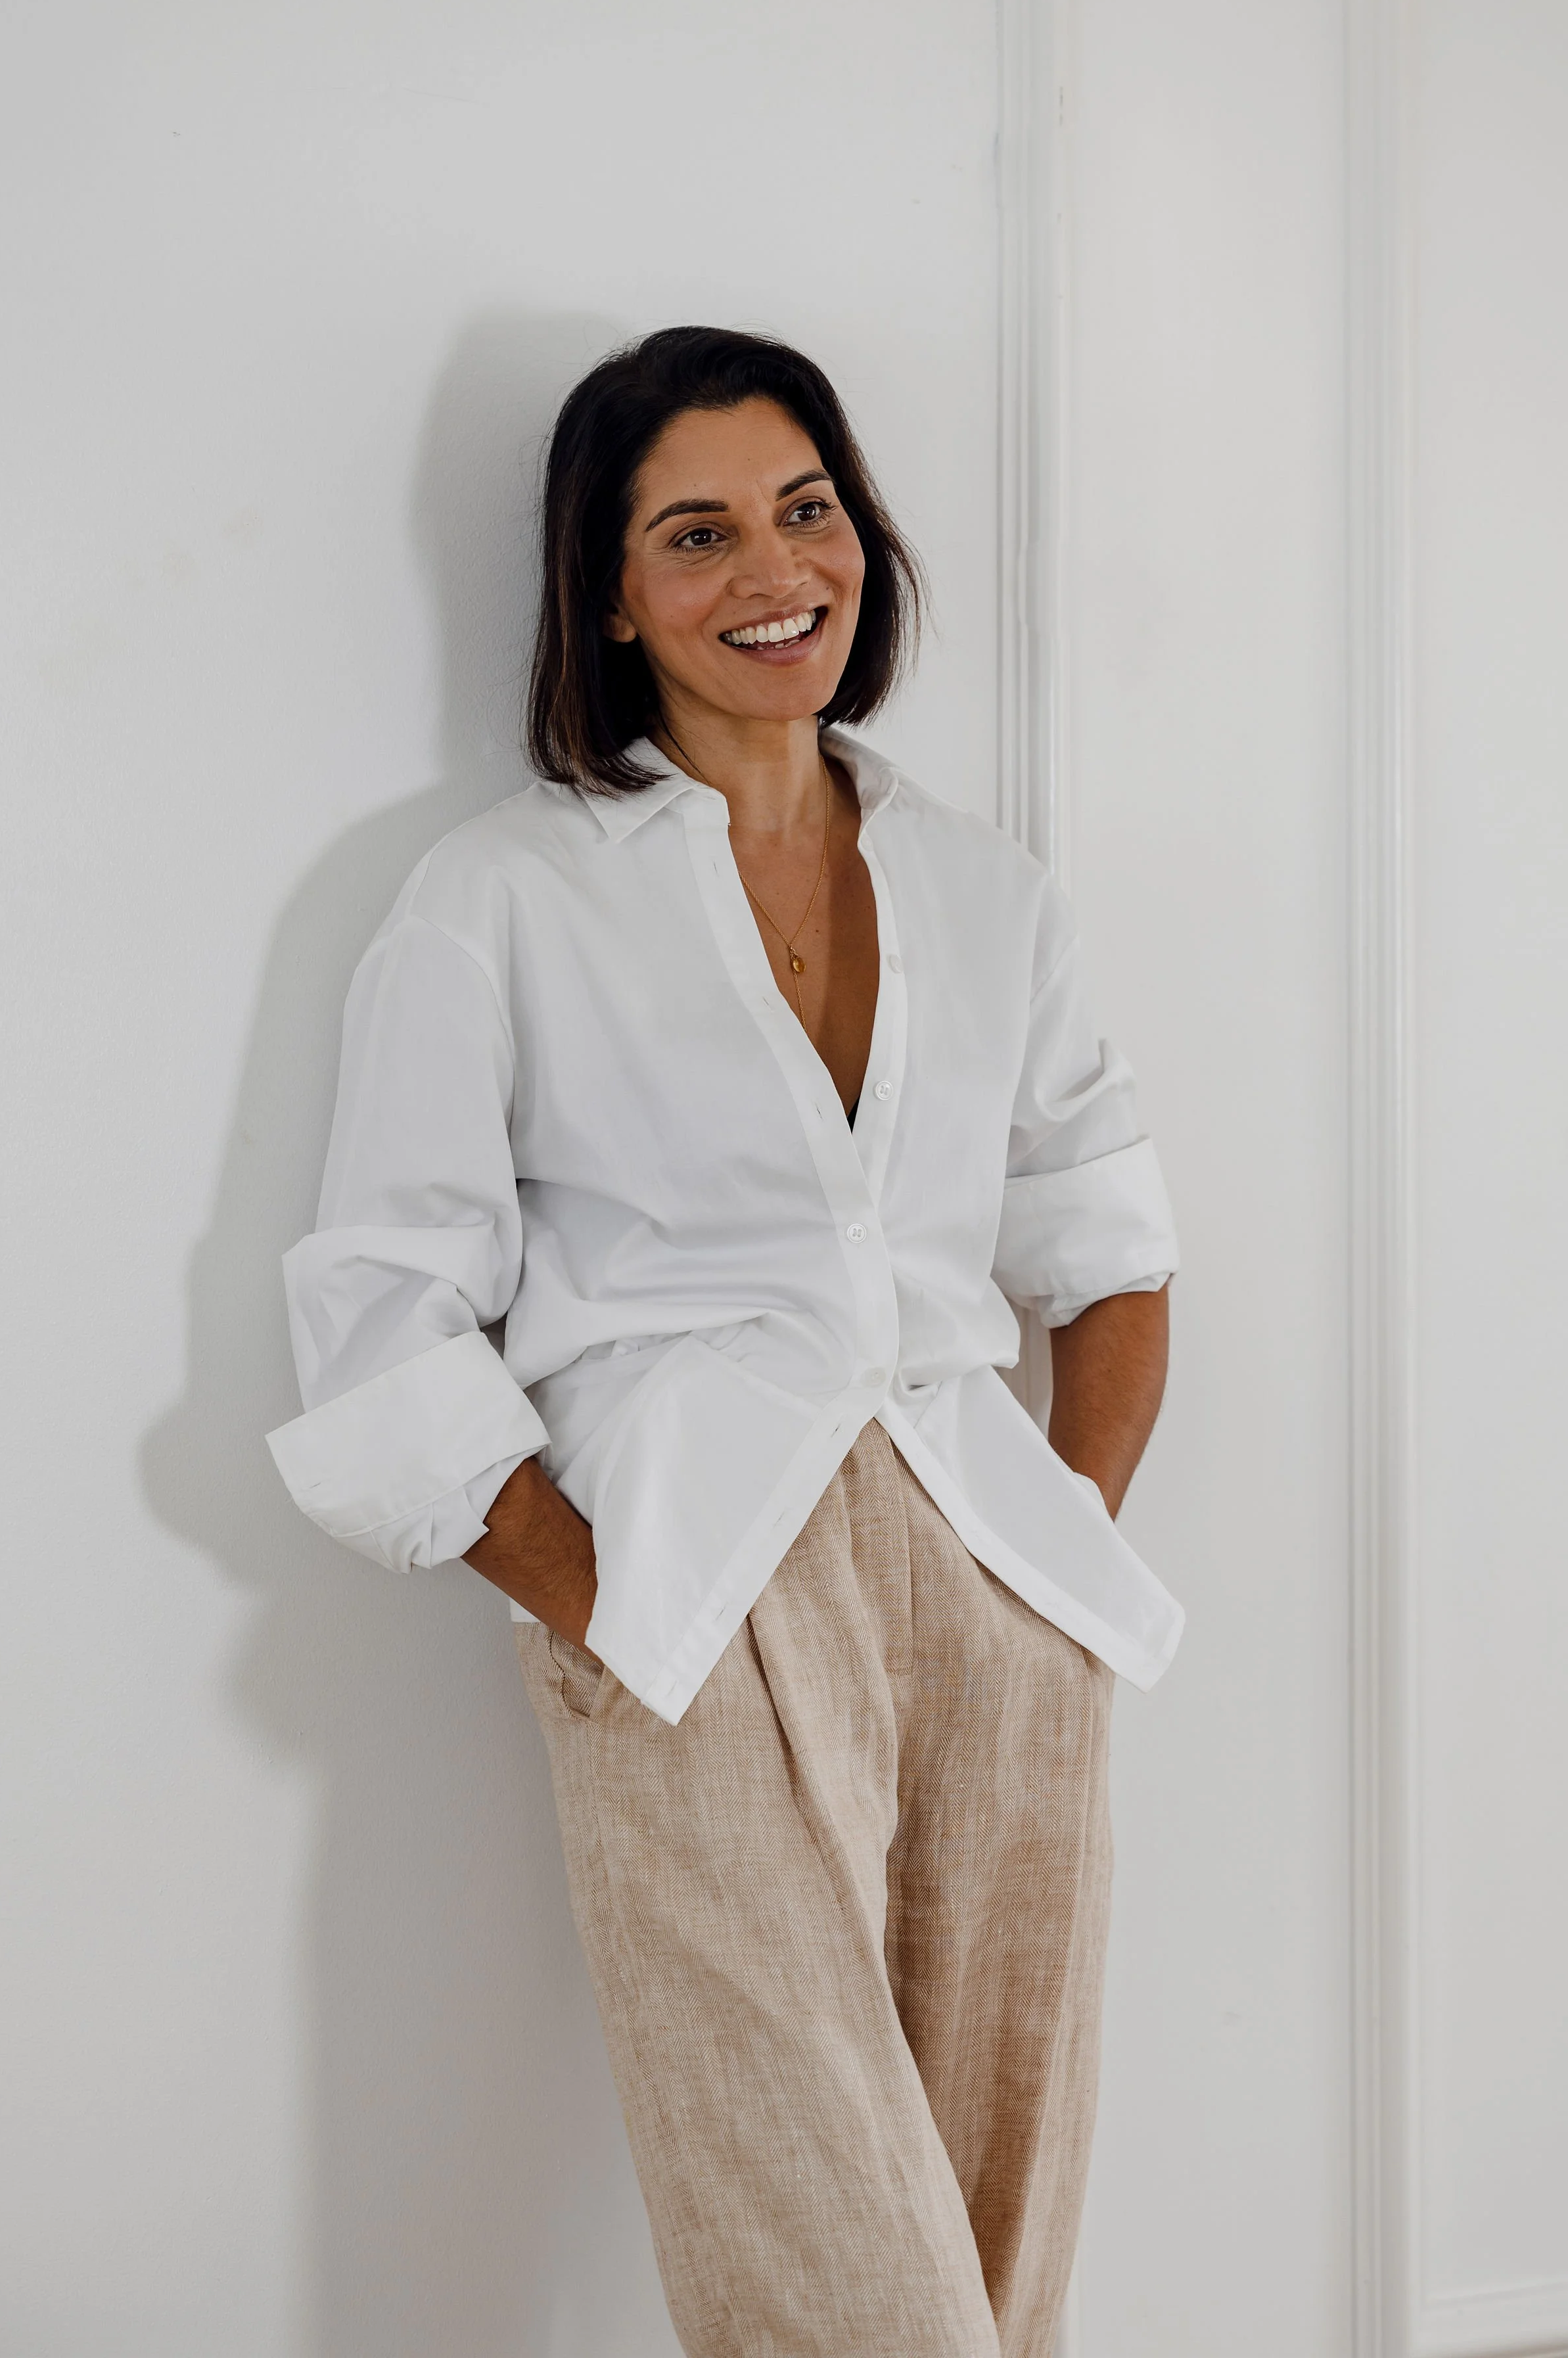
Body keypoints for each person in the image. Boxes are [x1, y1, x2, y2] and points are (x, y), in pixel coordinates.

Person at [267, 325, 1182, 2357]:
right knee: (836, 2282)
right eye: (699, 532)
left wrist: (1060, 1553)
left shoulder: (983, 890)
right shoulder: (497, 896)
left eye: (808, 507)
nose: (779, 568)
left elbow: (1109, 1250)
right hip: (697, 1588)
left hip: (991, 1580)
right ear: (609, 592)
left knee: (1001, 2260)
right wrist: (602, 1604)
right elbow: (381, 1301)